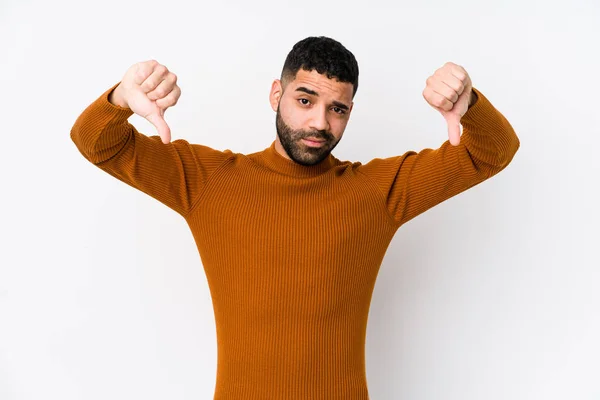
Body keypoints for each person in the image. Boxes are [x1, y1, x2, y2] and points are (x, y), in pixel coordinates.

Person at [70, 36, 520, 399]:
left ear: (348, 113)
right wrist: (120, 99)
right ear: (276, 94)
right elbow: (95, 141)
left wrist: (470, 104)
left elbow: (494, 152)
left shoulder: (378, 191)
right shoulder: (208, 182)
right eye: (305, 100)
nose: (319, 123)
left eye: (336, 109)